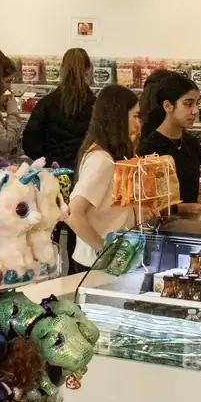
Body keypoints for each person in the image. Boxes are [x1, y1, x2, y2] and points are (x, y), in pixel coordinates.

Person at [65, 84, 139, 268]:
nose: (138, 124)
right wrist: (104, 252)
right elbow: (73, 213)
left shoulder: (105, 155)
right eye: (135, 116)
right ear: (119, 117)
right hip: (95, 263)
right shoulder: (101, 161)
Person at [136, 69, 201, 213]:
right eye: (188, 104)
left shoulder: (192, 144)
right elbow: (145, 205)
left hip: (194, 225)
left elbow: (189, 191)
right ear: (168, 106)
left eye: (197, 103)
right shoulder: (149, 149)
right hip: (162, 226)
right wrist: (186, 208)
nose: (195, 111)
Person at [21, 47, 95, 171]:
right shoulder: (96, 106)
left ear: (62, 69)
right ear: (88, 70)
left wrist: (47, 158)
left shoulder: (46, 104)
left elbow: (30, 144)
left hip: (53, 171)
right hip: (85, 170)